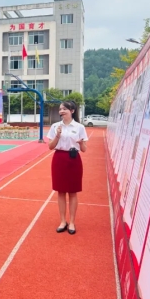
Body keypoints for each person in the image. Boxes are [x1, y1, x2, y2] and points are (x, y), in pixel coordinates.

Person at [47, 101, 88, 235]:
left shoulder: (80, 127)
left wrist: (81, 143)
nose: (61, 111)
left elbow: (84, 149)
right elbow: (50, 146)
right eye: (60, 109)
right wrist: (57, 135)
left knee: (73, 191)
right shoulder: (55, 126)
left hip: (74, 159)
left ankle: (72, 222)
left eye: (64, 109)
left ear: (72, 111)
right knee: (60, 191)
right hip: (59, 159)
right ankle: (62, 221)